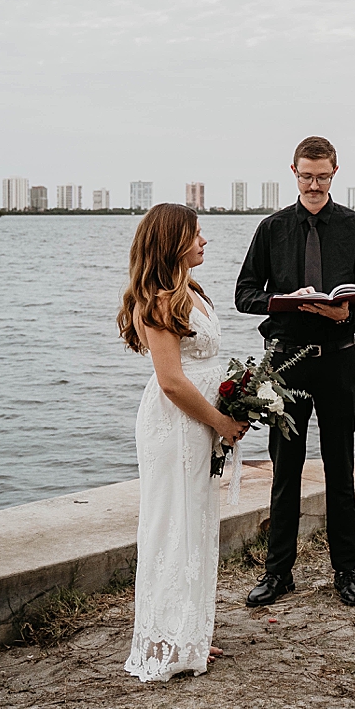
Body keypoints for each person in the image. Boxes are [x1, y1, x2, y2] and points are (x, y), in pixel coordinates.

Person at [235, 136, 355, 608]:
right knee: (286, 471)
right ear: (293, 172)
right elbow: (244, 295)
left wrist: (347, 316)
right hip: (285, 364)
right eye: (306, 176)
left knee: (341, 468)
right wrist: (285, 302)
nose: (315, 184)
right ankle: (278, 573)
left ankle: (346, 572)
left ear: (335, 171)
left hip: (340, 359)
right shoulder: (272, 228)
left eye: (322, 175)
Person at [118, 203, 249, 682]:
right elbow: (172, 381)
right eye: (196, 234)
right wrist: (220, 420)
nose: (204, 241)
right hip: (175, 424)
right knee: (171, 525)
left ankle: (186, 633)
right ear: (173, 241)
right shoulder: (156, 298)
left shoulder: (190, 290)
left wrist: (237, 401)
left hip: (197, 423)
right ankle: (161, 641)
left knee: (194, 525)